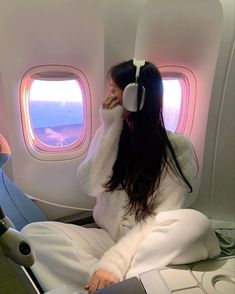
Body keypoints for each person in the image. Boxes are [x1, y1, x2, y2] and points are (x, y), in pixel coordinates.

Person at [22, 60, 220, 294]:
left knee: (196, 224)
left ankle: (107, 281)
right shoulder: (109, 134)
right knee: (33, 235)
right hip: (109, 237)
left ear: (133, 95)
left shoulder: (178, 149)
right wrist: (109, 128)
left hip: (149, 242)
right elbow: (90, 184)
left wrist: (113, 264)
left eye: (113, 89)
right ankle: (109, 283)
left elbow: (155, 218)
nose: (109, 96)